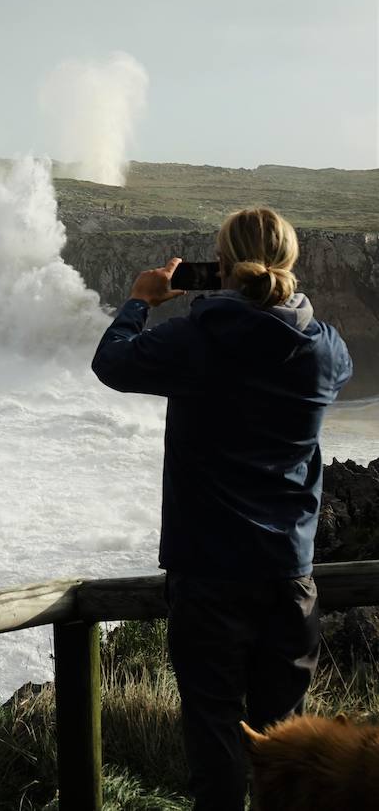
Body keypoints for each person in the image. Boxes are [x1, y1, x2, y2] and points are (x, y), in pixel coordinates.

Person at [90, 208, 353, 810]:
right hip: (288, 576)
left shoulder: (196, 340)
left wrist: (141, 300)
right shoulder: (325, 351)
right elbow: (326, 358)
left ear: (224, 267)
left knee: (215, 748)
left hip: (208, 575)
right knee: (284, 752)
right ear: (289, 264)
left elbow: (112, 363)